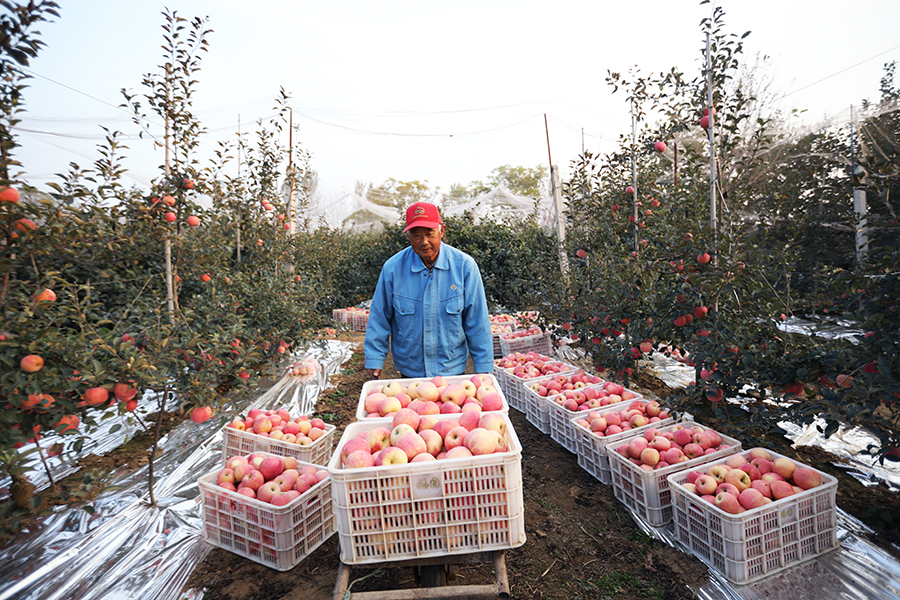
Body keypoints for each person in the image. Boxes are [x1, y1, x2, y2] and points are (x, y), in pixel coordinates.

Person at [364, 202, 493, 380]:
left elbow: (477, 320)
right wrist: (374, 358)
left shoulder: (464, 266)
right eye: (416, 235)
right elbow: (379, 317)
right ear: (408, 236)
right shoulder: (393, 269)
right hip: (410, 370)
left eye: (429, 233)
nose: (424, 242)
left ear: (442, 231)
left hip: (451, 369)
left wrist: (483, 366)